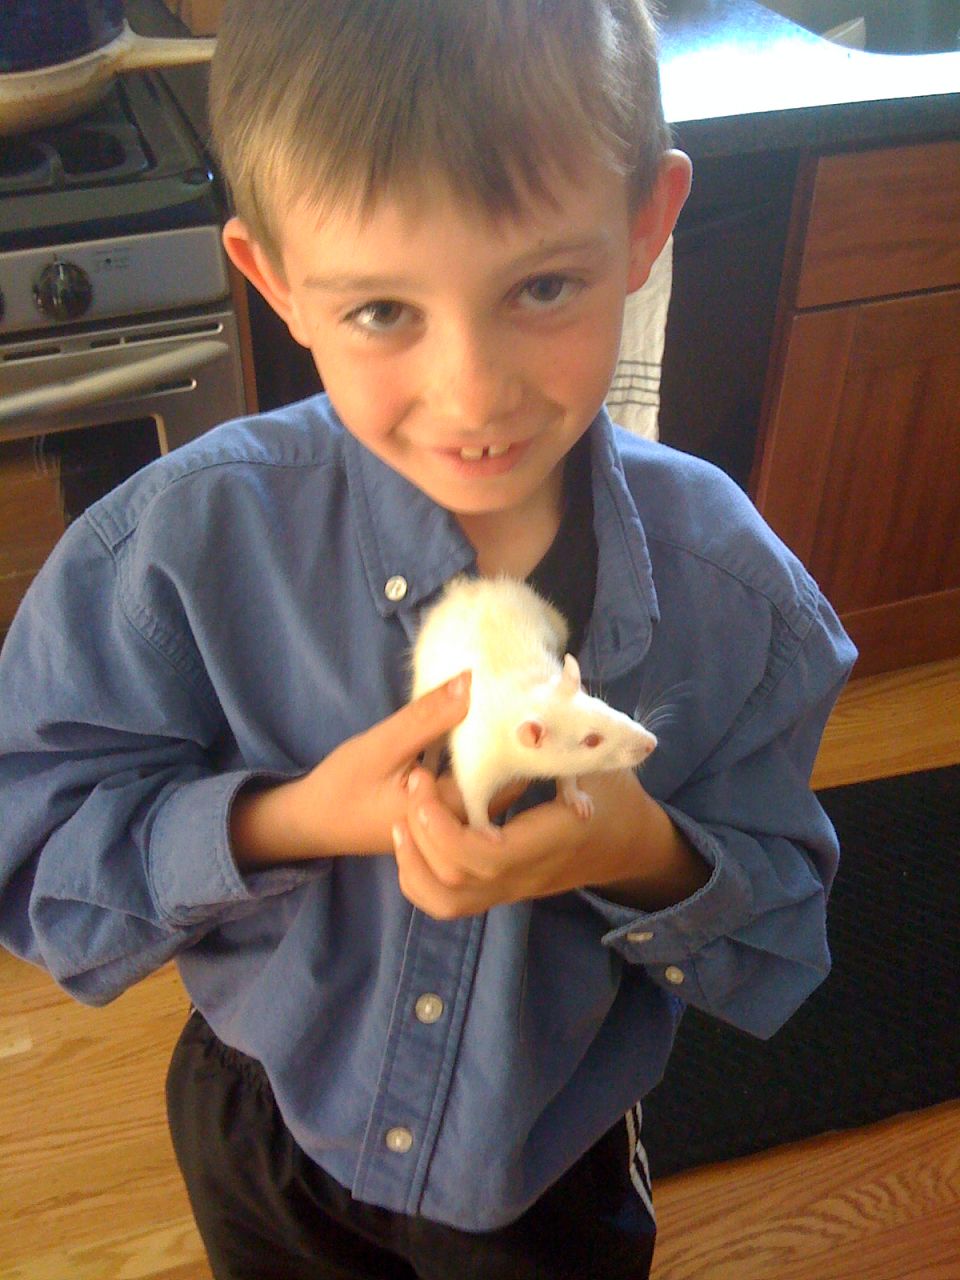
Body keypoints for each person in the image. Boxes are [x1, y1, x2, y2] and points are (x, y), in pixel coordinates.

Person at [0, 2, 857, 1277]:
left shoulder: (739, 599)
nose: (473, 392)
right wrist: (290, 817)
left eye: (543, 286)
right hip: (270, 1120)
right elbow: (36, 856)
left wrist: (639, 850)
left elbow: (782, 927)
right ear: (275, 280)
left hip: (547, 1156)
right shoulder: (174, 553)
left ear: (645, 227)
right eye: (383, 310)